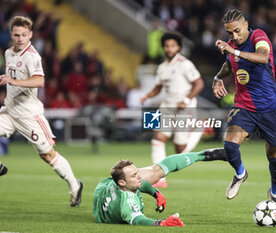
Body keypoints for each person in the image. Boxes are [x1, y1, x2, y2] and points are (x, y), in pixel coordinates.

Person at [0, 16, 83, 207]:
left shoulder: (32, 56)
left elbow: (39, 80)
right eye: (17, 35)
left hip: (29, 115)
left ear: (31, 35)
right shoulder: (9, 53)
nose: (20, 39)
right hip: (10, 111)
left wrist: (14, 82)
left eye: (24, 35)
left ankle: (75, 185)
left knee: (47, 155)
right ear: (11, 35)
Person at [212, 9, 276, 203]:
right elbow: (229, 64)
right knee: (230, 145)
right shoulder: (233, 47)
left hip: (270, 107)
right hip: (244, 106)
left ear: (245, 25)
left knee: (274, 155)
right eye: (229, 34)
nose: (234, 36)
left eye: (237, 31)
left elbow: (262, 57)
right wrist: (218, 77)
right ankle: (240, 174)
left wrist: (232, 50)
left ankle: (275, 195)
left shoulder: (258, 36)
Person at [93, 148, 226, 226]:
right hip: (103, 208)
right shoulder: (126, 203)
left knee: (152, 173)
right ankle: (201, 155)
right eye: (134, 175)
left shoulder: (120, 182)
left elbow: (139, 182)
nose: (138, 176)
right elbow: (137, 219)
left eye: (136, 172)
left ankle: (204, 154)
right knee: (156, 171)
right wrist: (161, 223)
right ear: (121, 183)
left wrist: (156, 193)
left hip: (103, 189)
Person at [141, 32, 204, 188]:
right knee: (158, 138)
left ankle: (199, 129)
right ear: (163, 47)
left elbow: (199, 84)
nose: (169, 49)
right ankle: (159, 179)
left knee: (179, 150)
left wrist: (187, 99)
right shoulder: (162, 67)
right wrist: (148, 95)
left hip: (185, 108)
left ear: (179, 47)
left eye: (173, 46)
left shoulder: (185, 64)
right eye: (167, 46)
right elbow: (158, 87)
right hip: (167, 107)